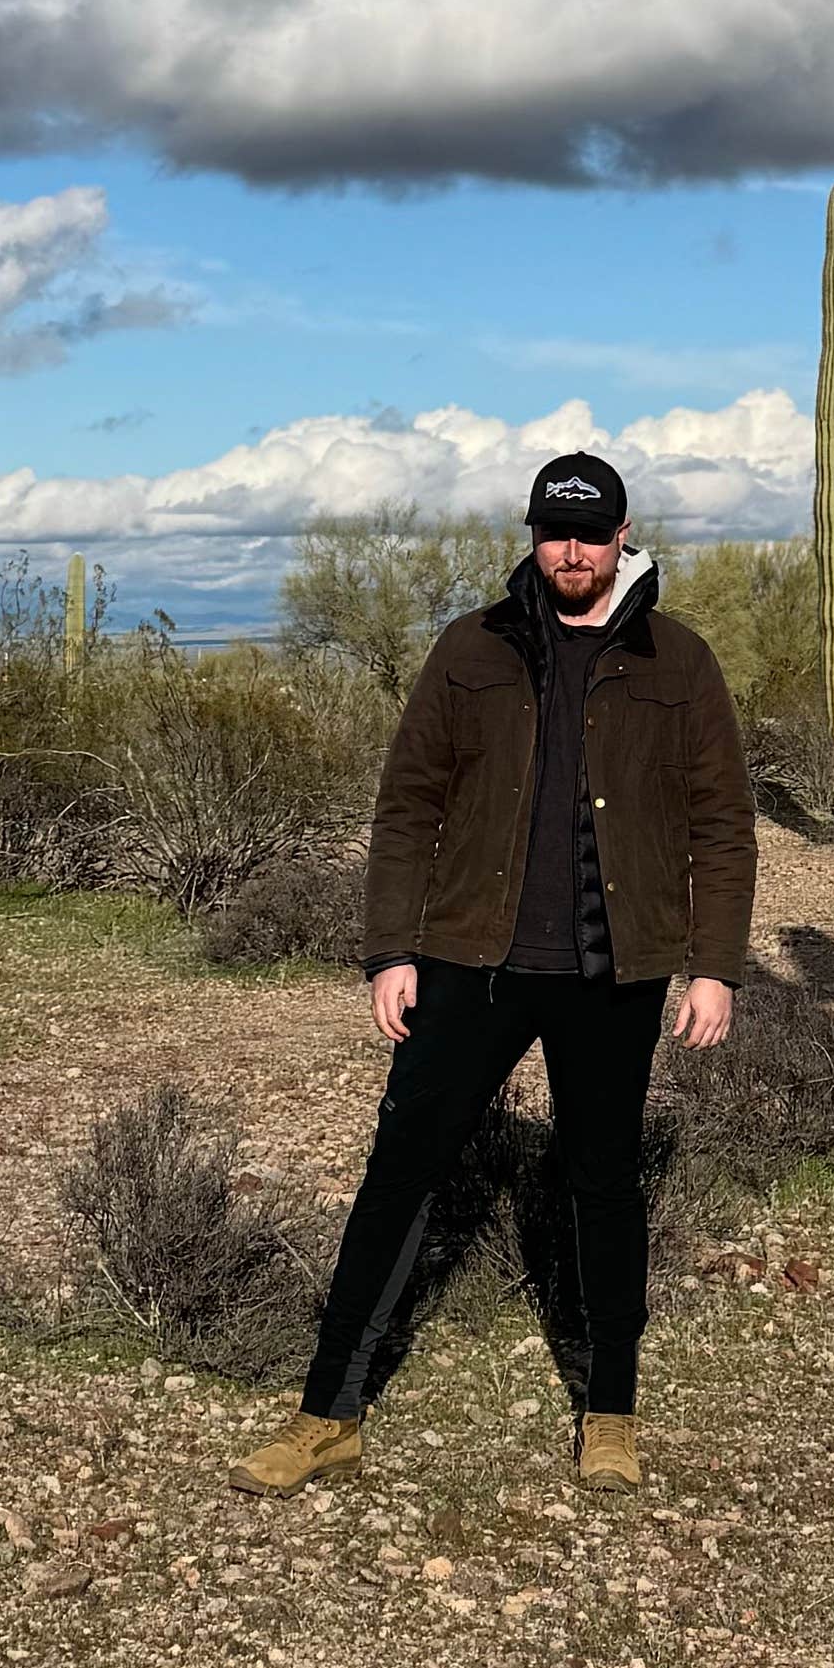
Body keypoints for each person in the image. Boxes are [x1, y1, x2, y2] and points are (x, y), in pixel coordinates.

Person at [237, 452, 751, 1499]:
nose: (574, 552)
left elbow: (721, 825)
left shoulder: (677, 659)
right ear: (532, 535)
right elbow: (407, 805)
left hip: (617, 970)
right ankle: (327, 1411)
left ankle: (610, 1408)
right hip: (472, 959)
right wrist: (389, 950)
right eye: (557, 533)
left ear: (622, 537)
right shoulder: (471, 649)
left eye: (593, 534)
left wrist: (715, 967)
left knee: (602, 1181)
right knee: (401, 1172)